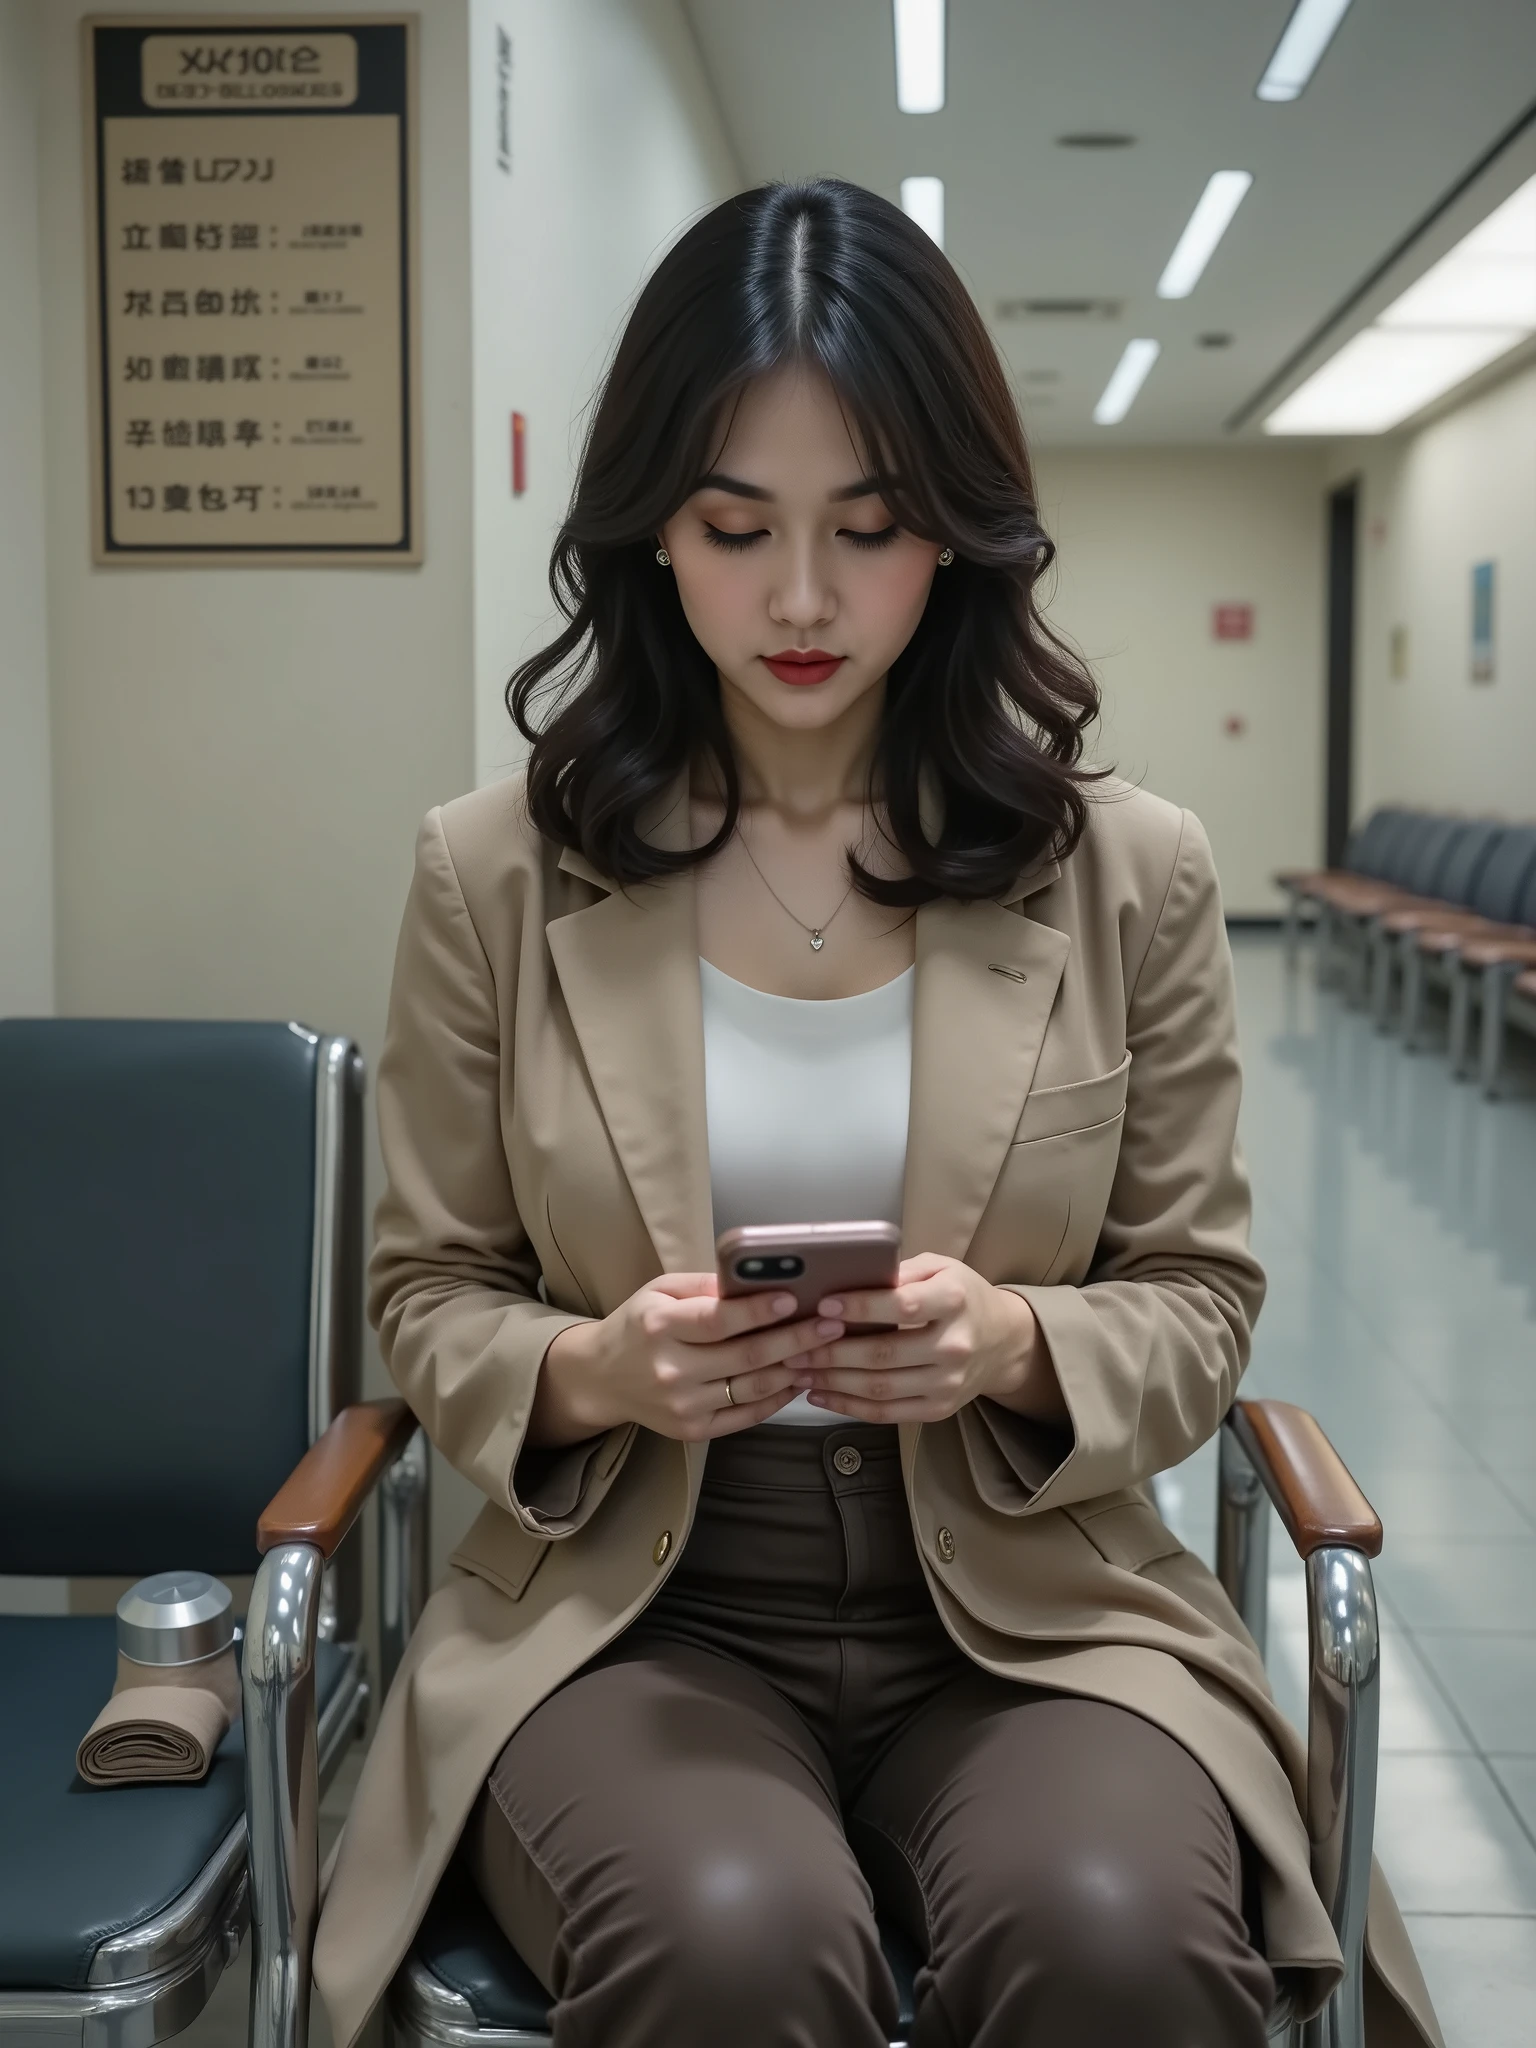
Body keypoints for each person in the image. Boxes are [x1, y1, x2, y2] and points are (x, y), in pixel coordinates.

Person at [314, 179, 1440, 2048]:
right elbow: (430, 1290)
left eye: (875, 527)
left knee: (1117, 1941)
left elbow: (1197, 1296)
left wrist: (1011, 1343)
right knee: (735, 1946)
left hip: (1030, 1598)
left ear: (964, 539)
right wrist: (602, 1373)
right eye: (737, 527)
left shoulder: (1124, 874)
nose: (808, 598)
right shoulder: (496, 877)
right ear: (650, 535)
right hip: (637, 1609)